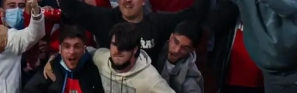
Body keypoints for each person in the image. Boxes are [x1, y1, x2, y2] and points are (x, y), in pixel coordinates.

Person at [14, 26, 106, 93]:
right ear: (60, 49)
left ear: (84, 48)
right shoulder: (50, 69)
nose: (72, 52)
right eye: (67, 47)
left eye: (77, 46)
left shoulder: (93, 71)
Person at [59, 0, 211, 61]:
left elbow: (195, 14)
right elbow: (71, 8)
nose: (127, 1)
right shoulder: (104, 19)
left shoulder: (157, 23)